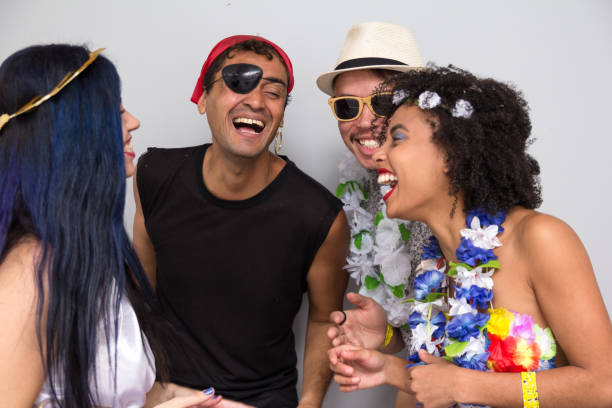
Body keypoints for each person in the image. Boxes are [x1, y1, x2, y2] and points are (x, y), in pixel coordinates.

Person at [328, 65, 612, 407]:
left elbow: (604, 386)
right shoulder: (433, 267)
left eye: (398, 138)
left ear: (453, 154)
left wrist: (468, 387)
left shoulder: (540, 238)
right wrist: (388, 368)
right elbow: (439, 384)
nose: (378, 154)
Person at [0, 44, 253, 408]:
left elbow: (131, 395)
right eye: (115, 111)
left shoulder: (90, 258)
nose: (133, 121)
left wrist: (208, 401)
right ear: (72, 133)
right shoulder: (31, 270)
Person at [133, 35, 349, 408]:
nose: (255, 101)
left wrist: (310, 403)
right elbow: (141, 296)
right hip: (165, 395)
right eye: (238, 82)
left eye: (274, 92)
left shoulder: (319, 216)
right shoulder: (154, 176)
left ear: (282, 112)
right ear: (202, 98)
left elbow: (321, 321)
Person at [317, 22, 430, 406]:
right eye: (348, 106)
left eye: (383, 102)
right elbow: (421, 333)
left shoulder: (466, 202)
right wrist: (382, 334)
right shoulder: (368, 193)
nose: (365, 121)